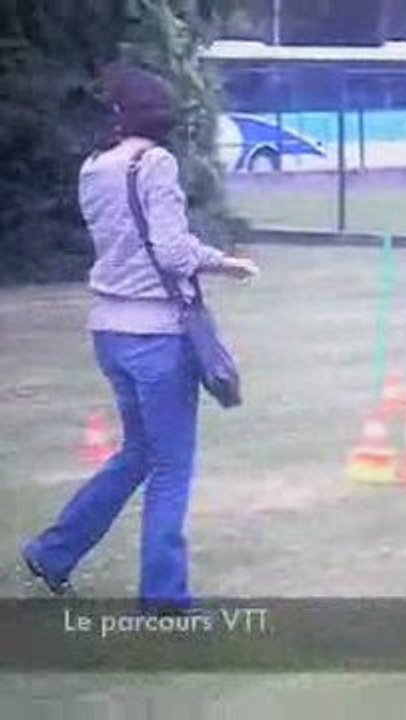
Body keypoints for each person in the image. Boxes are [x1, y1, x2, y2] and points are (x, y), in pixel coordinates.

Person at [20, 65, 258, 611]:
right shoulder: (155, 163)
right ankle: (164, 598)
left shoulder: (93, 168)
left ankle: (52, 554)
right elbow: (173, 253)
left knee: (137, 453)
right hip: (156, 336)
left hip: (108, 332)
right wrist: (226, 263)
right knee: (171, 467)